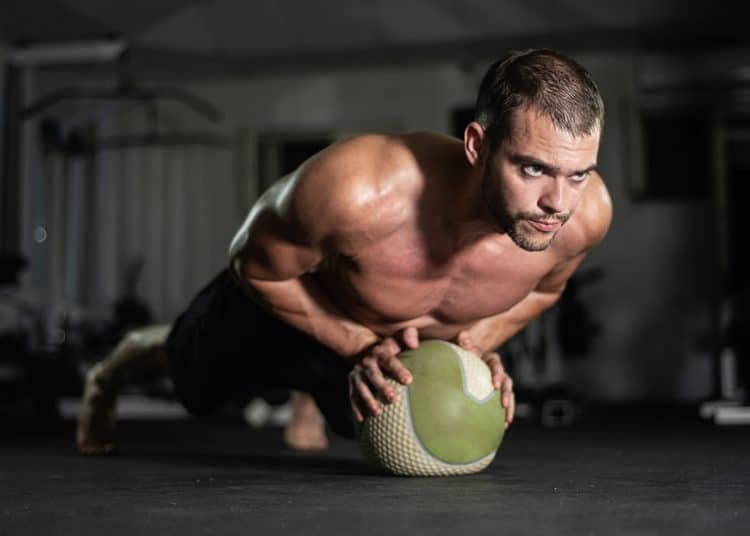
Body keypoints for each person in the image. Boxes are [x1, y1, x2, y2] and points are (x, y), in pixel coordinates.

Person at [76, 48, 612, 455]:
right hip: (289, 305)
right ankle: (108, 376)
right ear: (478, 145)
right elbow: (251, 263)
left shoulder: (583, 216)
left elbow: (548, 288)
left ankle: (313, 395)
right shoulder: (359, 190)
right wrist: (355, 342)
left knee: (368, 435)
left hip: (386, 347)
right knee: (192, 382)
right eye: (533, 169)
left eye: (578, 174)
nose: (556, 203)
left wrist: (476, 340)